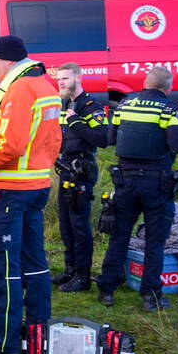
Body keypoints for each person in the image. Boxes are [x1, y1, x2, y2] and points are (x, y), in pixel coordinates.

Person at [0, 36, 61, 354]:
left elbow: (9, 146)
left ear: (5, 61)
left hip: (11, 188)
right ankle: (39, 328)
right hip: (38, 183)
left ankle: (5, 344)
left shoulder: (19, 89)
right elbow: (55, 140)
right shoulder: (45, 85)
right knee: (35, 262)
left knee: (5, 269)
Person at [96, 66, 178, 312]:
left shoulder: (124, 104)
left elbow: (110, 138)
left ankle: (107, 289)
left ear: (145, 82)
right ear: (168, 87)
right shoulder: (169, 108)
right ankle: (151, 295)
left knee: (120, 234)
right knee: (155, 241)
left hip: (125, 180)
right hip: (157, 181)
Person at [53, 63, 109, 293]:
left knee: (79, 226)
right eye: (59, 79)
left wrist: (76, 121)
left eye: (66, 78)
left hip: (82, 171)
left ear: (78, 77)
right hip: (65, 169)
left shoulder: (90, 106)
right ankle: (70, 271)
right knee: (66, 225)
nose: (62, 82)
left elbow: (103, 138)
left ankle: (83, 277)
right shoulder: (65, 104)